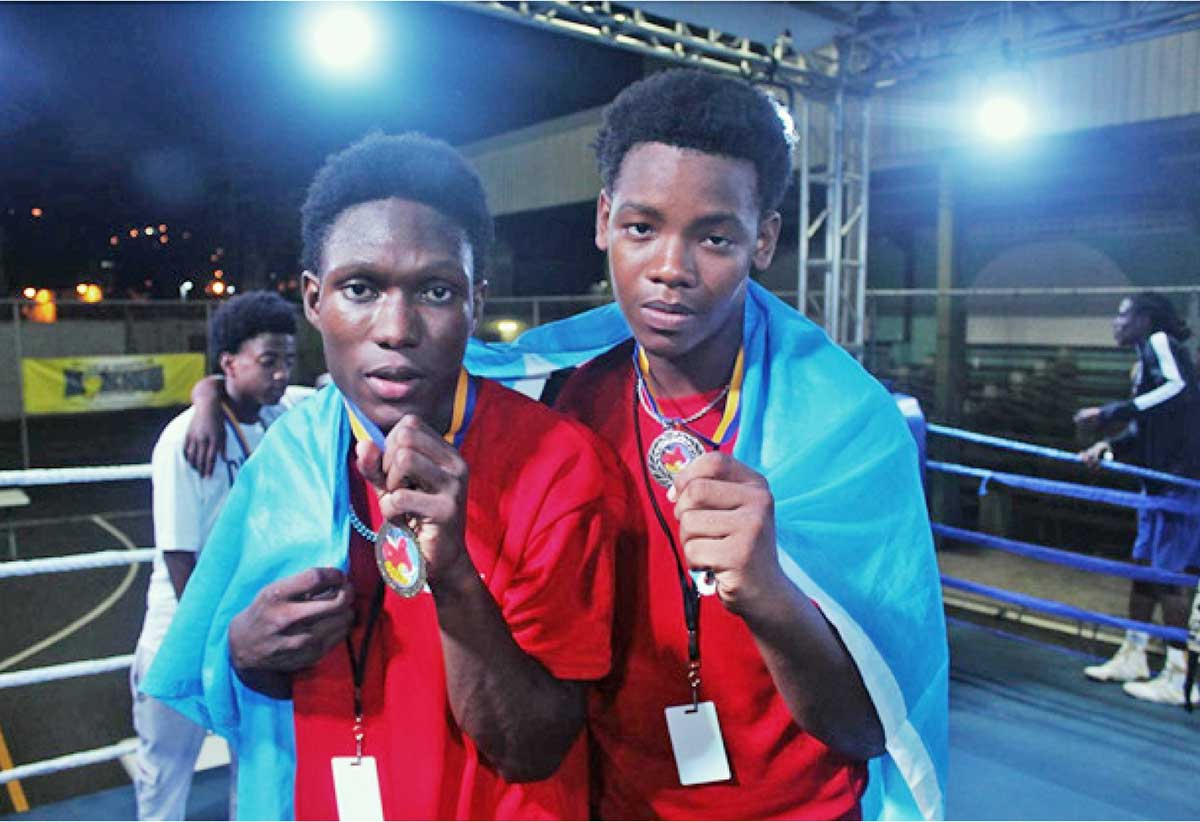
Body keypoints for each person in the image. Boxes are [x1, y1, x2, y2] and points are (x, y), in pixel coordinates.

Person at [465, 69, 948, 820]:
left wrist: (768, 594)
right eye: (641, 228)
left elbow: (868, 724)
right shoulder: (558, 396)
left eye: (714, 237)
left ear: (765, 240)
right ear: (602, 220)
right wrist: (216, 408)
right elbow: (386, 379)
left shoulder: (846, 426)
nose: (670, 269)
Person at [142, 133, 619, 820]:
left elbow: (536, 747)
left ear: (474, 303)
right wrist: (247, 653)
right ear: (312, 299)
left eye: (434, 290)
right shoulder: (288, 455)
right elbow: (225, 673)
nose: (396, 328)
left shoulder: (559, 462)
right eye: (360, 288)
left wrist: (454, 578)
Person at [131, 291, 302, 820]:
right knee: (165, 774)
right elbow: (182, 560)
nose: (280, 373)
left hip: (249, 632)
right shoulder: (186, 438)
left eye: (288, 360)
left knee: (254, 768)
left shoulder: (284, 415)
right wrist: (212, 646)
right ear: (230, 362)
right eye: (268, 361)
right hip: (182, 634)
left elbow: (330, 389)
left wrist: (208, 391)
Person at [1075, 292, 1200, 706]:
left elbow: (1178, 390)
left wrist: (1112, 411)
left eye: (1123, 314)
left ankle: (1181, 673)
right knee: (1144, 568)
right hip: (1156, 482)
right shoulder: (1144, 360)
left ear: (1146, 319)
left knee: (1170, 575)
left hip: (1178, 482)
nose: (1116, 322)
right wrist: (1108, 448)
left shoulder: (1161, 344)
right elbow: (1148, 427)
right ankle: (1135, 652)